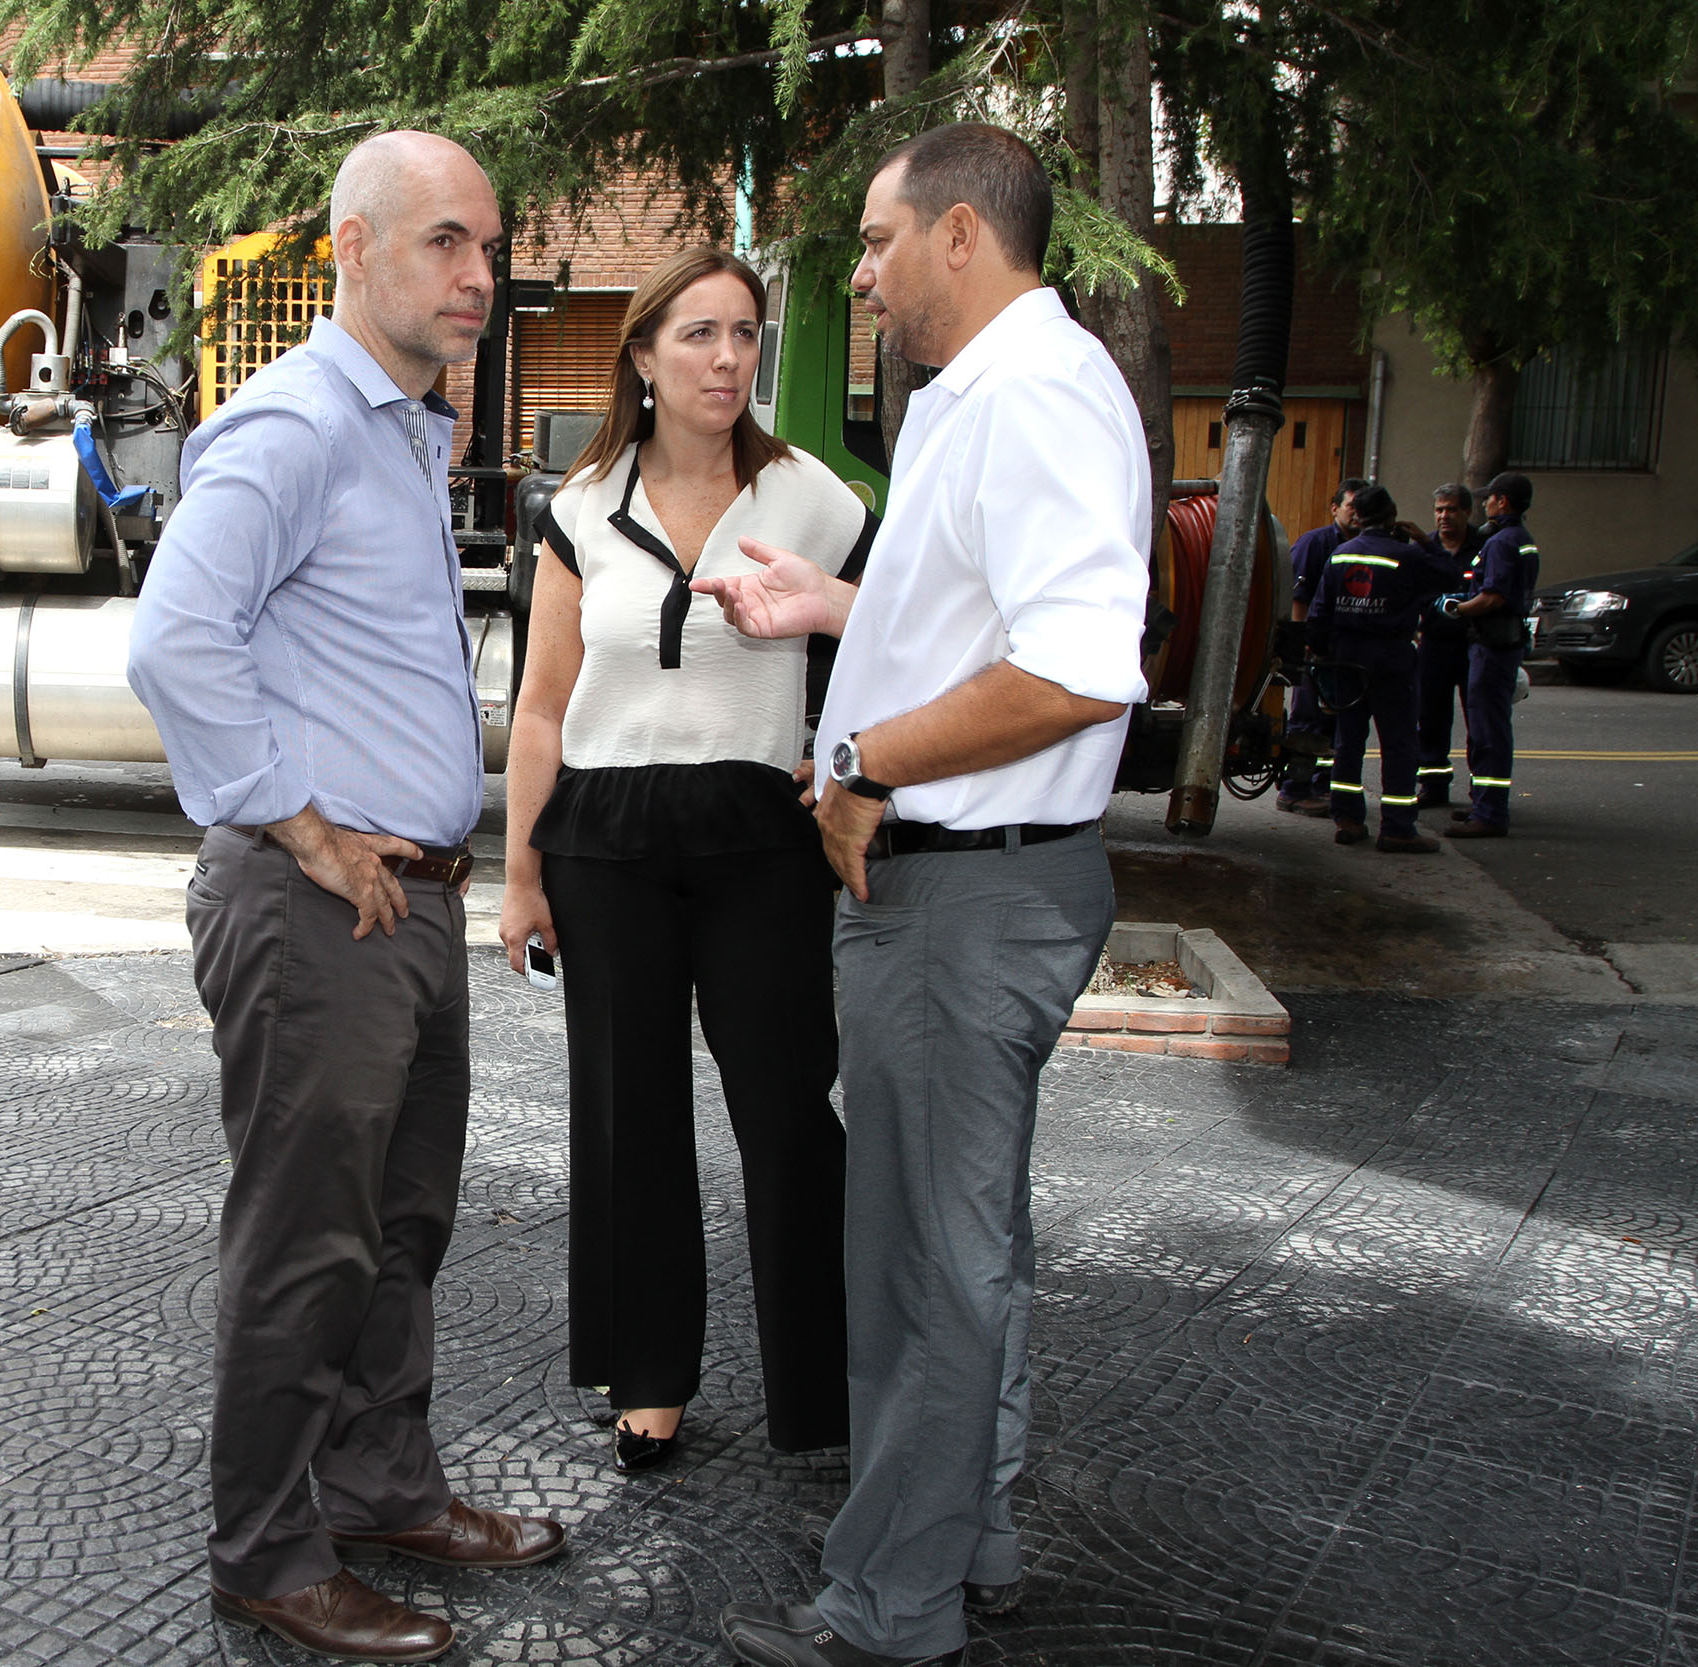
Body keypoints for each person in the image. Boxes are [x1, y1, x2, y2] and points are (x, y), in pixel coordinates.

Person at [694, 123, 1150, 1667]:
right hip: (960, 890)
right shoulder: (999, 396)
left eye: (882, 245)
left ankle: (892, 1605)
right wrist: (831, 606)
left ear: (964, 236)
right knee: (963, 1250)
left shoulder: (1029, 397)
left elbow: (1080, 669)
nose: (866, 277)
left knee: (919, 1267)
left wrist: (869, 758)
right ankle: (974, 1539)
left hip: (959, 898)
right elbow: (981, 612)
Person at [125, 130, 564, 1666]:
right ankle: (266, 1548)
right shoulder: (298, 421)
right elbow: (177, 640)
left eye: (491, 249)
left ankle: (379, 1487)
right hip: (325, 904)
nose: (480, 278)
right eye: (446, 243)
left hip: (409, 900)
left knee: (402, 1223)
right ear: (353, 252)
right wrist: (304, 825)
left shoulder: (406, 428)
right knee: (308, 1239)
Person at [497, 247, 861, 1476]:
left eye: (744, 333)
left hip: (760, 841)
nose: (725, 357)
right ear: (642, 354)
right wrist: (519, 873)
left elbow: (894, 637)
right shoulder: (582, 504)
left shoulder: (814, 496)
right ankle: (648, 1375)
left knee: (787, 1115)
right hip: (602, 842)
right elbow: (542, 704)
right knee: (627, 1116)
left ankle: (822, 1384)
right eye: (698, 333)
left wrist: (856, 757)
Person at [1305, 484, 1457, 854]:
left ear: (1357, 516)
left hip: (1347, 659)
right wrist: (1426, 541)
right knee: (1399, 743)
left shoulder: (1340, 554)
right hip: (1391, 660)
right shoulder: (1407, 556)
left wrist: (1323, 655)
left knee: (1348, 741)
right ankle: (1398, 828)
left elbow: (1319, 613)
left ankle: (1347, 818)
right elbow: (1452, 577)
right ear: (1392, 517)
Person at [1444, 470, 1539, 839]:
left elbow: (1493, 596)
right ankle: (1485, 803)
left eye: (1489, 498)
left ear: (1502, 501)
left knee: (1487, 731)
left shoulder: (1500, 543)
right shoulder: (1521, 539)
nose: (1484, 504)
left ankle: (1490, 813)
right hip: (1505, 642)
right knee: (1488, 728)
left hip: (1492, 644)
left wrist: (1457, 609)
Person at [1275, 480, 1366, 816]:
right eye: (1351, 506)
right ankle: (1294, 789)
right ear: (1334, 508)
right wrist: (1305, 646)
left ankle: (1321, 785)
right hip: (1316, 650)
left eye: (1362, 508)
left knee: (1337, 726)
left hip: (1346, 653)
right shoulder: (1316, 544)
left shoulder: (1365, 547)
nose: (1356, 514)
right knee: (1308, 719)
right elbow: (1297, 599)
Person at [1415, 482, 1486, 807]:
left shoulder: (1484, 546)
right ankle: (1433, 784)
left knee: (1479, 719)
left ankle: (1482, 789)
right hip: (1435, 645)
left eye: (1451, 509)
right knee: (1431, 718)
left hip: (1474, 644)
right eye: (1439, 509)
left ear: (1467, 512)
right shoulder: (1425, 549)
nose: (1444, 516)